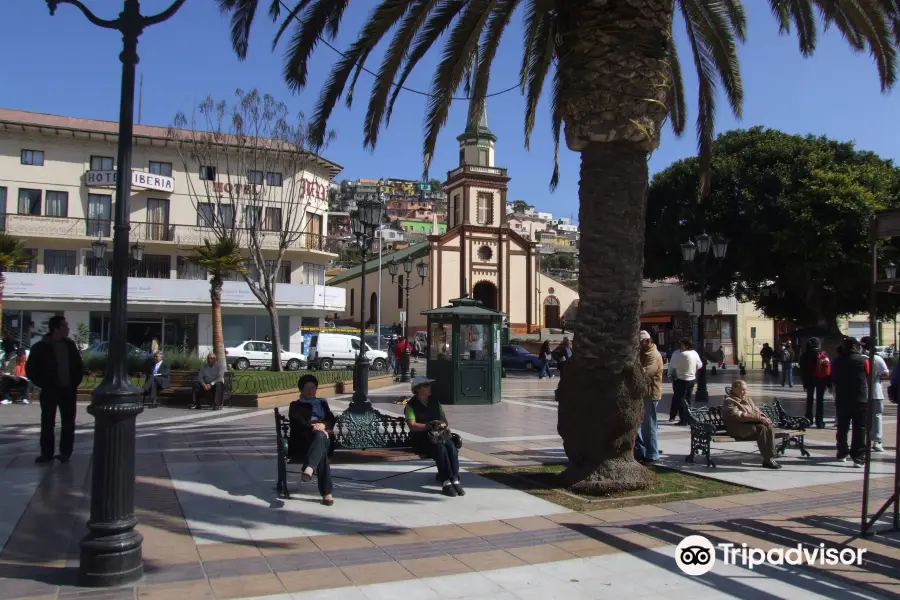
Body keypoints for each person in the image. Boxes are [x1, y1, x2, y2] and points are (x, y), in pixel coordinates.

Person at [25, 316, 84, 464]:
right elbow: (31, 369)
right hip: (50, 390)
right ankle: (46, 453)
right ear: (56, 328)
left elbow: (78, 366)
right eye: (64, 325)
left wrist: (74, 383)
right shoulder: (41, 347)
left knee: (68, 422)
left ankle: (65, 453)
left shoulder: (70, 345)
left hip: (68, 390)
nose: (67, 328)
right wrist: (43, 383)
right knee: (47, 422)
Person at [404, 376, 464, 497]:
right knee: (440, 448)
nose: (429, 387)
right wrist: (428, 426)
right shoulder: (411, 406)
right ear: (418, 389)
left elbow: (444, 420)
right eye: (426, 385)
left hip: (439, 436)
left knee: (451, 447)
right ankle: (446, 481)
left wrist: (442, 425)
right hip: (422, 439)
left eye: (429, 385)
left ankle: (455, 479)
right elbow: (412, 425)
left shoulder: (435, 401)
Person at [288, 374, 335, 506]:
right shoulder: (295, 405)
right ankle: (327, 494)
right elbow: (297, 421)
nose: (311, 391)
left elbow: (331, 419)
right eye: (307, 388)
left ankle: (309, 467)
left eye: (313, 388)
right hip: (304, 441)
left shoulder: (322, 403)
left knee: (320, 437)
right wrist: (313, 427)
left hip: (323, 437)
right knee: (322, 452)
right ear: (301, 390)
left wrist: (324, 425)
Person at [722, 380, 782, 469]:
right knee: (761, 428)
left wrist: (763, 417)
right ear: (734, 388)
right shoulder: (729, 401)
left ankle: (770, 456)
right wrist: (759, 419)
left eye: (745, 389)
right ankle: (768, 458)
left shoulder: (747, 399)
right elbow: (738, 415)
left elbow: (756, 410)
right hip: (737, 428)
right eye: (742, 390)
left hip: (750, 425)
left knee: (768, 426)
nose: (745, 392)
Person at [832, 337, 869, 467]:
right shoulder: (863, 360)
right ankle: (858, 457)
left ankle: (842, 452)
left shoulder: (837, 361)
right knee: (860, 427)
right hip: (860, 398)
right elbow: (869, 374)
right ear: (854, 346)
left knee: (842, 426)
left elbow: (833, 376)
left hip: (842, 398)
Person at [635, 330, 663, 464]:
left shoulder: (653, 355)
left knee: (649, 425)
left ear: (647, 341)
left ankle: (653, 454)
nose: (640, 344)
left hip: (651, 394)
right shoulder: (643, 353)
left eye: (641, 342)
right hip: (643, 393)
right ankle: (641, 451)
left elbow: (646, 372)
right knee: (639, 425)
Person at [861, 337, 888, 453]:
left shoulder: (859, 359)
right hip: (876, 392)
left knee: (862, 418)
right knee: (877, 417)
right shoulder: (877, 358)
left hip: (862, 393)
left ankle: (863, 441)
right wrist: (877, 377)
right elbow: (886, 374)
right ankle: (877, 442)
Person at [799, 338, 830, 429]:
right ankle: (819, 422)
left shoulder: (805, 355)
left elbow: (803, 370)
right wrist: (828, 383)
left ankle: (809, 419)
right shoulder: (822, 353)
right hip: (821, 379)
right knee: (820, 400)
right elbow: (827, 368)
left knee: (809, 399)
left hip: (809, 379)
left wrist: (804, 382)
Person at [670, 338, 702, 425]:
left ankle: (683, 419)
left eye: (682, 344)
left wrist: (670, 374)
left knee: (681, 399)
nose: (680, 346)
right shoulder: (694, 353)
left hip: (681, 379)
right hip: (691, 379)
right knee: (688, 399)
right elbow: (700, 364)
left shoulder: (679, 354)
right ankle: (687, 418)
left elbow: (673, 365)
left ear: (687, 345)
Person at [667, 344, 682, 420]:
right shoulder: (693, 353)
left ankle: (674, 416)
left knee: (677, 397)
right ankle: (681, 417)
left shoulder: (676, 353)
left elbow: (671, 365)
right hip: (680, 378)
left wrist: (669, 374)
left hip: (678, 378)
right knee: (680, 398)